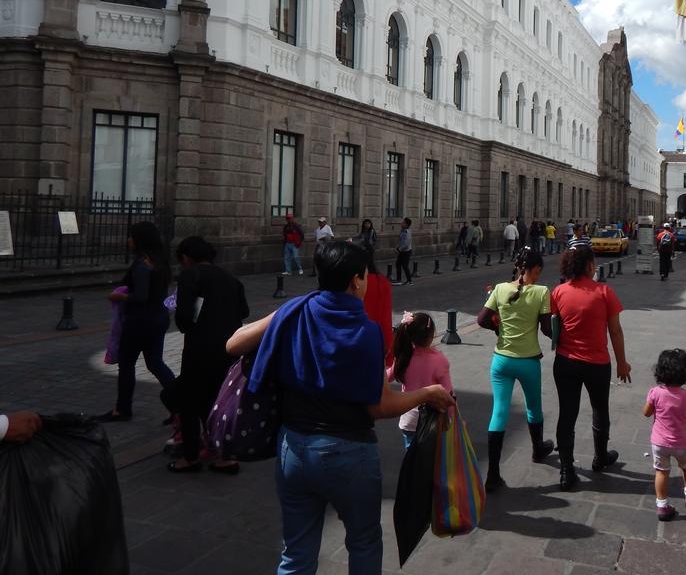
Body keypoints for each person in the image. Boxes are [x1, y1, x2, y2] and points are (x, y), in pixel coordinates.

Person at [225, 239, 455, 575]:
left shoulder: (296, 311)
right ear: (356, 280)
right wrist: (427, 393)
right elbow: (379, 406)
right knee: (363, 543)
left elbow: (233, 343)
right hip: (349, 452)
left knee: (296, 553)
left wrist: (286, 311)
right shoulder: (366, 332)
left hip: (294, 448)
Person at [164, 236, 248, 474]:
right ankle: (227, 457)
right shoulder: (230, 279)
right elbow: (244, 310)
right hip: (229, 349)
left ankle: (189, 458)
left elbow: (183, 316)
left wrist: (194, 326)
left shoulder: (191, 275)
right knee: (218, 402)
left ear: (186, 258)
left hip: (200, 349)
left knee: (189, 402)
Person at [550, 245, 631, 490]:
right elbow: (615, 331)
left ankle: (566, 469)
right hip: (597, 363)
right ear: (589, 266)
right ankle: (600, 456)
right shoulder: (605, 291)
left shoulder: (558, 292)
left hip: (565, 362)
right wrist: (622, 363)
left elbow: (555, 326)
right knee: (599, 409)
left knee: (567, 413)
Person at [476, 247, 555, 491]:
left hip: (501, 360)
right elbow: (545, 329)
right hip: (528, 360)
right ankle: (537, 449)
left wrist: (498, 330)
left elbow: (481, 320)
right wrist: (563, 337)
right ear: (536, 269)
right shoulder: (542, 292)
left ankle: (493, 475)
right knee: (534, 408)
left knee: (498, 413)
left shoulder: (500, 289)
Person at [99, 221, 176, 422]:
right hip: (158, 319)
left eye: (132, 236)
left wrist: (119, 297)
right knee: (155, 363)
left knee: (127, 364)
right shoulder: (160, 261)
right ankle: (180, 405)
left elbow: (140, 296)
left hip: (139, 322)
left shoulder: (142, 264)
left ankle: (122, 409)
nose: (129, 240)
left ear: (140, 240)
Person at [643, 349, 686, 520]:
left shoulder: (655, 392)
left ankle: (662, 505)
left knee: (661, 472)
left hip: (659, 443)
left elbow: (646, 413)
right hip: (681, 443)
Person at [388, 312, 453, 448]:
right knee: (431, 461)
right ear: (431, 335)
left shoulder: (404, 357)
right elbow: (448, 394)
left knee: (411, 459)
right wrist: (452, 420)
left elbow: (387, 376)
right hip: (432, 420)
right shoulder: (439, 361)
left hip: (408, 419)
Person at [361, 246, 394, 367]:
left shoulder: (350, 283)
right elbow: (386, 319)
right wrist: (388, 346)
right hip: (377, 344)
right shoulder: (381, 282)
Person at [282, 212, 304, 276]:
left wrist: (299, 243)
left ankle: (300, 269)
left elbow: (302, 234)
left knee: (296, 257)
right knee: (287, 258)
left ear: (292, 218)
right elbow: (284, 235)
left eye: (289, 218)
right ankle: (288, 271)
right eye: (287, 218)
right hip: (287, 244)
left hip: (294, 244)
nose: (288, 219)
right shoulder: (286, 226)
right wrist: (285, 242)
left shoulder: (296, 226)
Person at [395, 217, 413, 285]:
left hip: (406, 251)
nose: (401, 223)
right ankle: (399, 280)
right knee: (398, 264)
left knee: (405, 266)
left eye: (403, 222)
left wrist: (399, 249)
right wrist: (398, 247)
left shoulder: (407, 232)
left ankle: (409, 281)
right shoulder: (402, 230)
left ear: (406, 224)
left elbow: (406, 243)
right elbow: (401, 240)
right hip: (402, 251)